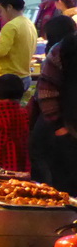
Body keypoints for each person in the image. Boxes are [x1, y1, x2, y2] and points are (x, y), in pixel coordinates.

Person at [29, 33, 77, 195]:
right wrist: (59, 128)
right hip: (69, 135)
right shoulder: (63, 49)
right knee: (66, 196)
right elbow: (47, 92)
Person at [0, 0, 36, 90]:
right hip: (25, 76)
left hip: (9, 78)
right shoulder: (29, 24)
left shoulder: (10, 26)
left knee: (6, 105)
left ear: (9, 7)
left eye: (1, 10)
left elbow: (1, 51)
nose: (1, 14)